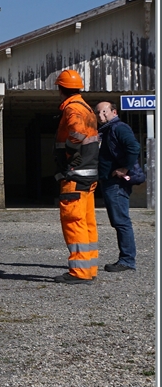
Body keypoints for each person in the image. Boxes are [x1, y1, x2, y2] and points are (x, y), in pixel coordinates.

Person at [52, 69, 100, 284]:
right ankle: (89, 268)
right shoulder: (87, 108)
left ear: (61, 89)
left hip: (75, 176)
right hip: (89, 175)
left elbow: (78, 133)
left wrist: (72, 151)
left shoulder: (73, 109)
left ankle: (79, 272)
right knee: (88, 222)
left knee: (74, 222)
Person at [96, 101, 139, 272]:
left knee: (121, 221)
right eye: (97, 113)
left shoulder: (119, 128)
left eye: (104, 112)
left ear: (114, 111)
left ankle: (127, 260)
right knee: (119, 221)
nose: (100, 116)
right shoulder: (106, 130)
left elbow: (134, 147)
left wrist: (124, 168)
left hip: (116, 183)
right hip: (109, 182)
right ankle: (126, 259)